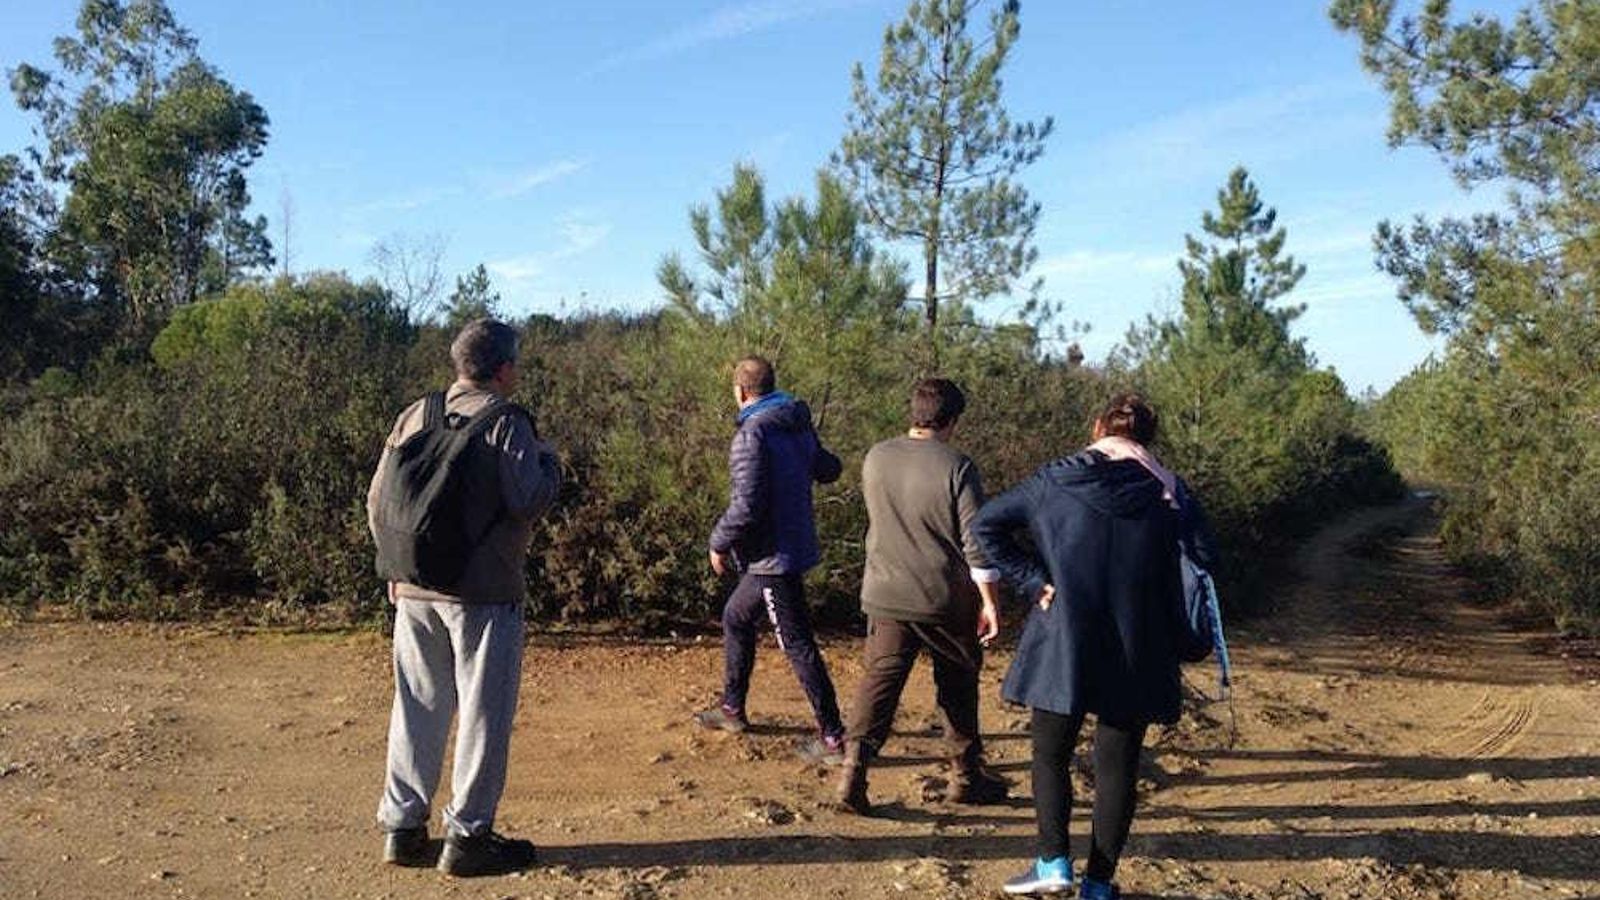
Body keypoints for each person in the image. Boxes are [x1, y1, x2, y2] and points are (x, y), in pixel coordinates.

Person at [973, 393, 1216, 899]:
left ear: (1098, 427)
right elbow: (1203, 563)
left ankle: (1052, 862)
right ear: (1147, 438)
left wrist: (1032, 579)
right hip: (1141, 644)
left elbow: (985, 524)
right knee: (1119, 769)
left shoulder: (1054, 480)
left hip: (1064, 637)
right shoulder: (1172, 493)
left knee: (1049, 753)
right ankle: (1099, 886)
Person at [368, 319, 561, 877]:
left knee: (416, 704)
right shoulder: (508, 423)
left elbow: (378, 499)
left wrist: (396, 567)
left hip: (412, 586)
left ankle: (402, 829)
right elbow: (528, 498)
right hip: (484, 592)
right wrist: (553, 464)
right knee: (483, 712)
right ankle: (468, 837)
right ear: (503, 368)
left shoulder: (415, 413)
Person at [834, 378, 1009, 813]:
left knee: (881, 679)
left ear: (914, 412)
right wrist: (989, 600)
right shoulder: (957, 466)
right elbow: (976, 541)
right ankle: (965, 776)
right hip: (944, 596)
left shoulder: (877, 457)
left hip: (885, 589)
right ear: (950, 420)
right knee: (957, 682)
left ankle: (853, 771)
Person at [693, 355, 847, 763]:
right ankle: (732, 709)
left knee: (796, 643)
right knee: (736, 617)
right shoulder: (794, 423)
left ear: (741, 392)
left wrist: (719, 541)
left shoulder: (753, 434)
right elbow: (829, 469)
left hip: (773, 557)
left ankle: (834, 736)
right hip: (783, 549)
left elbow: (746, 505)